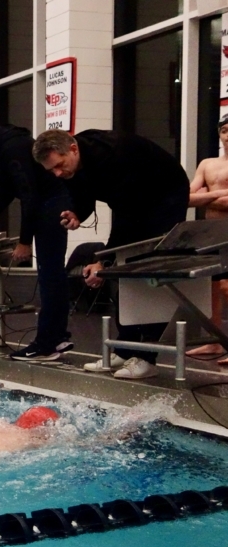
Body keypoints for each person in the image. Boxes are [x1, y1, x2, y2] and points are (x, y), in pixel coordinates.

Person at [32, 129, 190, 379]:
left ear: (73, 149)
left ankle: (147, 358)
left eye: (59, 166)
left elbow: (128, 218)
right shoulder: (70, 163)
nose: (58, 173)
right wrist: (76, 214)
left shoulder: (113, 155)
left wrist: (103, 261)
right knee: (123, 273)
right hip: (136, 202)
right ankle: (125, 350)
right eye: (52, 170)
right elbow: (82, 194)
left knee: (148, 269)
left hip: (165, 194)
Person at [0, 110, 74, 361]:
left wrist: (25, 242)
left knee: (51, 276)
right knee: (53, 274)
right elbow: (7, 191)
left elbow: (30, 197)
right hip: (44, 203)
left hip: (52, 203)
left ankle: (46, 344)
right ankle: (57, 337)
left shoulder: (13, 147)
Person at [184, 113, 228, 363]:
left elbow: (202, 198)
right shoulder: (207, 164)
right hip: (211, 233)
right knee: (210, 288)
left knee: (226, 287)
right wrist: (220, 197)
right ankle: (214, 342)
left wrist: (208, 196)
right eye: (224, 130)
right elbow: (187, 197)